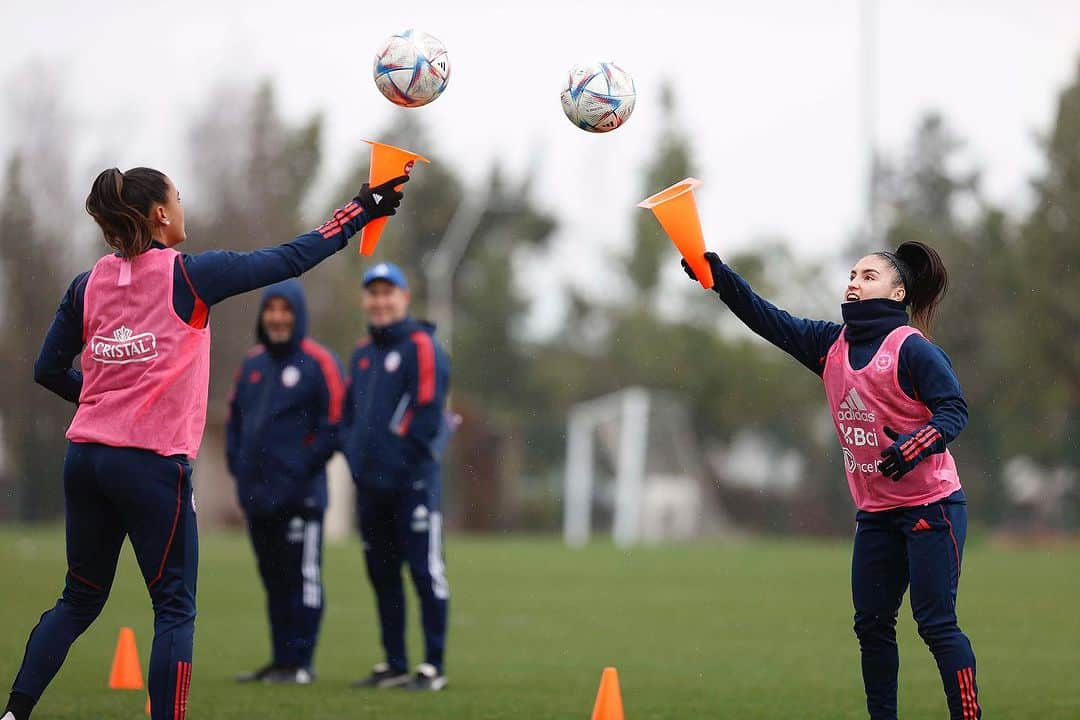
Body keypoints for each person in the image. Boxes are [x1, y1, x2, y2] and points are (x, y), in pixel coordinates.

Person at [3, 166, 408, 720]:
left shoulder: (88, 283)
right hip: (149, 467)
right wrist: (363, 208)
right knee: (173, 610)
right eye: (178, 196)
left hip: (86, 460)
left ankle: (13, 713)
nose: (184, 205)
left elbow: (47, 369)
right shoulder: (190, 277)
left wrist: (103, 403)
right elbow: (291, 257)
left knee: (78, 600)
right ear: (161, 214)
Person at [682, 243, 980, 720]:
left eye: (868, 276)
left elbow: (954, 411)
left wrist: (913, 447)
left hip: (932, 507)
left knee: (936, 625)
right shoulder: (831, 345)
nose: (853, 282)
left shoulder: (912, 348)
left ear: (897, 291)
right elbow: (767, 318)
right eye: (852, 274)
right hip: (877, 515)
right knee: (873, 626)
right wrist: (719, 278)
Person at [227, 279, 344, 685]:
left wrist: (294, 472)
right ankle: (279, 661)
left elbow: (333, 427)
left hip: (301, 497)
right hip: (258, 498)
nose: (277, 317)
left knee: (302, 579)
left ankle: (301, 664)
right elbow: (235, 423)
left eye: (285, 309)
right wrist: (240, 474)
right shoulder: (252, 364)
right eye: (271, 309)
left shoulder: (319, 362)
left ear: (298, 313)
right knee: (274, 580)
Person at [343, 262, 452, 692]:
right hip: (371, 488)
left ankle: (433, 665)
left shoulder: (422, 345)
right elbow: (350, 416)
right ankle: (394, 662)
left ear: (405, 298)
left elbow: (426, 413)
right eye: (373, 293)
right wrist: (356, 459)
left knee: (425, 572)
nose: (380, 301)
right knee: (382, 574)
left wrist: (397, 465)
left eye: (389, 292)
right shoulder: (362, 354)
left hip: (412, 485)